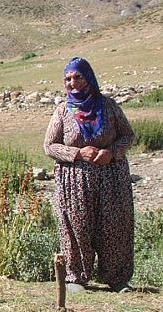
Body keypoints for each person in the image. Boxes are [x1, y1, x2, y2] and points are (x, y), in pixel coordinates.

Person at [44, 57, 135, 294]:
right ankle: (76, 278)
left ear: (89, 78)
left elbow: (128, 136)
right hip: (74, 182)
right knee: (76, 226)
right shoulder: (63, 110)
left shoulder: (109, 106)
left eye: (77, 77)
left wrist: (112, 151)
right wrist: (77, 153)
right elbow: (50, 146)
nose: (72, 83)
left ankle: (117, 280)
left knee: (115, 225)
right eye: (68, 79)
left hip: (112, 177)